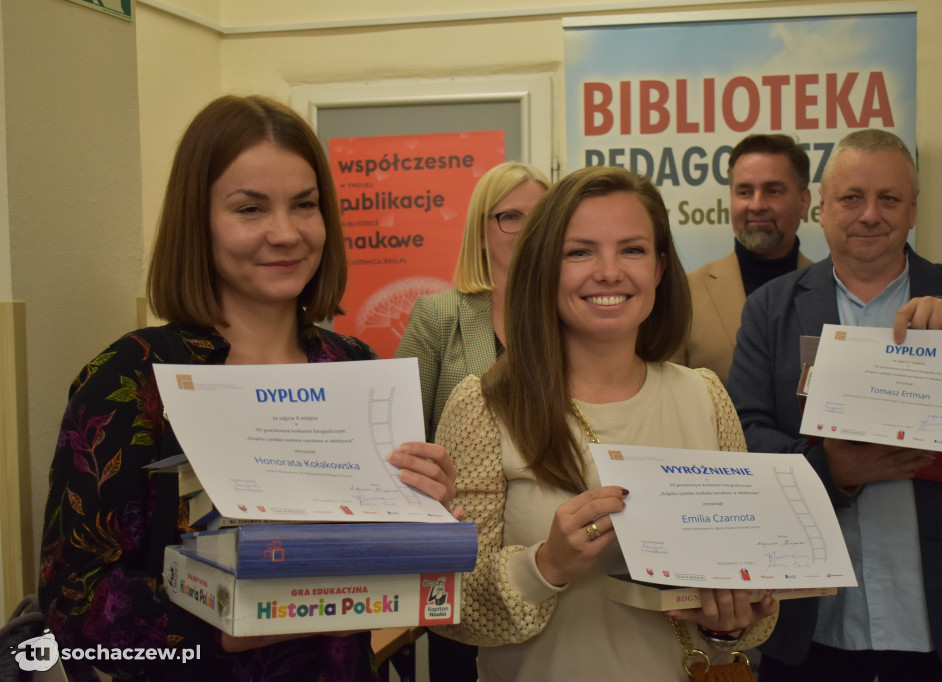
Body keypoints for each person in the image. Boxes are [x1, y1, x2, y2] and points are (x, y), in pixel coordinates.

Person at [37, 95, 459, 682]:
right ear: (198, 220)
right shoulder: (131, 379)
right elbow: (74, 606)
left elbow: (385, 559)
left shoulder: (354, 367)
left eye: (304, 205)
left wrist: (424, 509)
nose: (284, 233)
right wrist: (233, 624)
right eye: (250, 209)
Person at [430, 166, 778, 681]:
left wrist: (729, 623)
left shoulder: (705, 397)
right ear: (544, 268)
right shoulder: (483, 405)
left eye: (632, 249)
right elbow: (448, 605)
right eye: (580, 252)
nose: (610, 271)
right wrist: (545, 566)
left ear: (660, 268)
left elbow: (754, 602)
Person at [727, 129, 942, 682]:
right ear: (821, 207)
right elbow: (744, 433)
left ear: (913, 209)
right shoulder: (772, 310)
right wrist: (829, 470)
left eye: (889, 199)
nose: (870, 215)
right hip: (814, 624)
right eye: (851, 198)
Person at [394, 160, 548, 680]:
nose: (528, 231)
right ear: (481, 230)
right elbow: (399, 439)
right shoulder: (438, 316)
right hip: (460, 549)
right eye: (511, 217)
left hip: (548, 553)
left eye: (542, 215)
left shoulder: (571, 316)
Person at [671, 133, 814, 382]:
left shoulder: (831, 291)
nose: (757, 205)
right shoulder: (685, 294)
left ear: (804, 202)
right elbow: (665, 397)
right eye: (745, 192)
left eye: (773, 191)